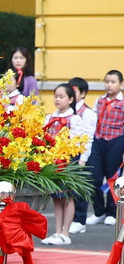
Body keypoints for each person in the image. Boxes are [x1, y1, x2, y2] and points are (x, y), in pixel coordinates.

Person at [86, 70, 124, 226]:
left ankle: (111, 212)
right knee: (94, 176)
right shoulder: (99, 101)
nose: (109, 85)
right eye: (107, 81)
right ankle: (98, 210)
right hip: (99, 140)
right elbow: (93, 122)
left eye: (113, 82)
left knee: (113, 178)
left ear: (121, 84)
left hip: (116, 142)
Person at [41, 84, 84, 245]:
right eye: (56, 96)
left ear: (71, 99)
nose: (57, 99)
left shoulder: (75, 119)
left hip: (67, 161)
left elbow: (76, 142)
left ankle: (66, 232)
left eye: (61, 96)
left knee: (67, 196)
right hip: (52, 161)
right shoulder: (50, 117)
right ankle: (57, 231)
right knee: (56, 197)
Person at [68, 77, 98, 233]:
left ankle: (80, 219)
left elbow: (88, 138)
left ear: (83, 93)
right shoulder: (67, 111)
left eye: (73, 91)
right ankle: (70, 219)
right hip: (66, 152)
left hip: (81, 154)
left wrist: (83, 159)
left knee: (80, 186)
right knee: (68, 188)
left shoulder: (88, 113)